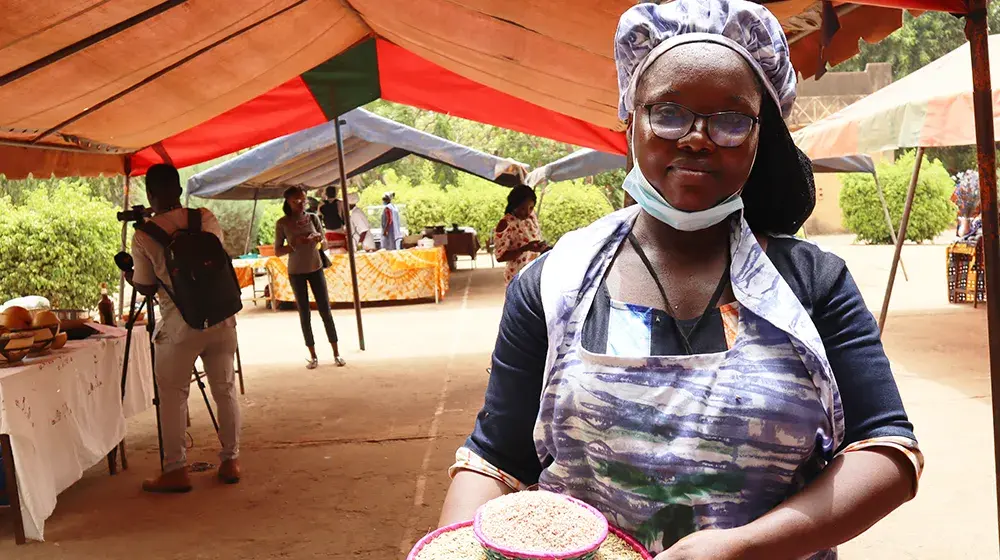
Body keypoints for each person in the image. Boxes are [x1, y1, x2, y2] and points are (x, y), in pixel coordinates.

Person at [439, 2, 922, 558]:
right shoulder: (556, 286)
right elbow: (497, 462)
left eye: (731, 119)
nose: (697, 138)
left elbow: (886, 450)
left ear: (760, 134)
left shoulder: (812, 284)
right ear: (630, 119)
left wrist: (744, 547)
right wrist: (450, 548)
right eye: (668, 112)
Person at [127, 163, 242, 493]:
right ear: (178, 190)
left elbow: (147, 286)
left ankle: (176, 469)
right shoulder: (205, 218)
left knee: (173, 396)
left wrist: (130, 277)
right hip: (221, 317)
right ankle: (231, 460)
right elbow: (216, 262)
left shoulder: (144, 235)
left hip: (180, 326)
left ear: (150, 195)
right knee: (225, 388)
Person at [275, 186, 346, 369]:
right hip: (296, 272)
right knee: (304, 313)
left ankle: (336, 353)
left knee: (325, 310)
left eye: (303, 200)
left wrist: (317, 239)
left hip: (316, 267)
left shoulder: (313, 217)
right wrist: (294, 244)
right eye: (296, 201)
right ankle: (313, 356)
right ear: (288, 202)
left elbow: (325, 243)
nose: (301, 204)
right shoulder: (282, 223)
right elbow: (277, 251)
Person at [494, 185, 549, 286]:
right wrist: (524, 248)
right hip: (517, 278)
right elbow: (500, 257)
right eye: (523, 208)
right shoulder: (506, 223)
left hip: (535, 276)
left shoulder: (531, 219)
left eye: (531, 208)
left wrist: (542, 247)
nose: (527, 212)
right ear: (514, 205)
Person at [319, 186, 348, 252]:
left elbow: (319, 220)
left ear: (326, 194)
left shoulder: (321, 204)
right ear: (336, 193)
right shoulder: (341, 203)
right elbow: (345, 219)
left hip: (328, 234)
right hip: (340, 233)